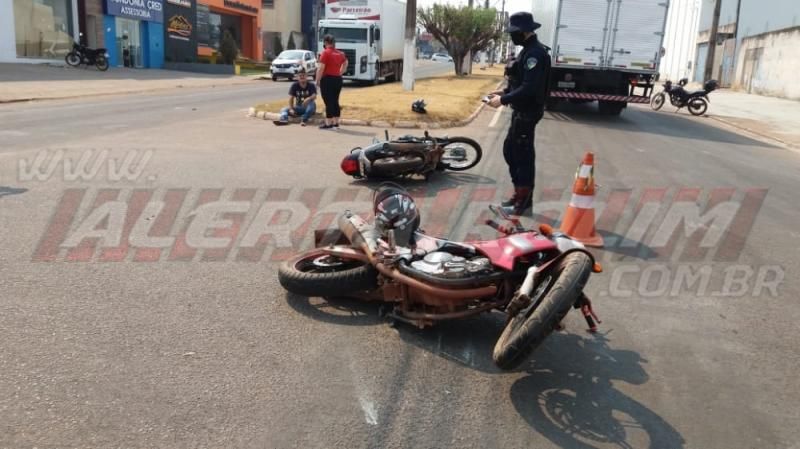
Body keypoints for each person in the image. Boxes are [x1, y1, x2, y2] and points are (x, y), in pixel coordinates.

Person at [486, 11, 551, 216]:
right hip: (521, 111)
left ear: (524, 32)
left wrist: (502, 101)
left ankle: (521, 203)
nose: (511, 36)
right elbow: (520, 82)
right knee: (511, 151)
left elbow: (530, 88)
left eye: (514, 32)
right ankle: (520, 196)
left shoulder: (535, 54)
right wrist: (503, 92)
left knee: (522, 156)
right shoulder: (527, 51)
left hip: (528, 112)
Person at [315, 34, 348, 129]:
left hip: (327, 79)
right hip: (337, 79)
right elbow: (346, 63)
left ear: (325, 42)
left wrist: (317, 80)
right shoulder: (340, 53)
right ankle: (336, 122)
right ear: (334, 43)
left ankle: (328, 123)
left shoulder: (325, 53)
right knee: (335, 100)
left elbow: (321, 68)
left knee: (328, 101)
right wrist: (341, 72)